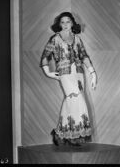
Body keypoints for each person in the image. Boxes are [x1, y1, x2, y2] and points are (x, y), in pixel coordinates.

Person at [40, 12, 97, 146]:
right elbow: (45, 55)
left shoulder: (77, 39)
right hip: (65, 73)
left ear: (72, 23)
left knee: (74, 102)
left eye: (68, 22)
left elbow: (84, 56)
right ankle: (68, 134)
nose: (65, 25)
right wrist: (47, 72)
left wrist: (92, 72)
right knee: (75, 99)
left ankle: (66, 134)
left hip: (78, 73)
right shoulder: (55, 39)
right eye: (62, 22)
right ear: (59, 24)